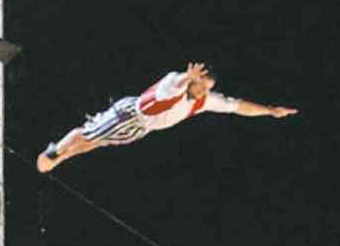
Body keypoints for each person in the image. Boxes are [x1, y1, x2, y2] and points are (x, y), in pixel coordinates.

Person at [36, 63, 297, 172]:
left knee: (96, 142)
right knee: (89, 133)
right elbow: (173, 86)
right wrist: (188, 77)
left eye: (206, 88)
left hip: (140, 128)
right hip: (130, 114)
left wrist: (270, 110)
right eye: (200, 85)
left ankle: (63, 155)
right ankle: (56, 150)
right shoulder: (175, 82)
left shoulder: (203, 101)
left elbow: (237, 106)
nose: (202, 92)